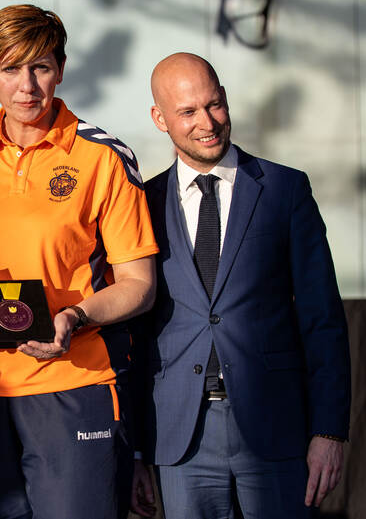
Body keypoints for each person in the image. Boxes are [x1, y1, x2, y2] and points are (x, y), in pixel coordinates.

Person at [0, 4, 158, 519]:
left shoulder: (103, 157)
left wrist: (75, 316)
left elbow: (139, 283)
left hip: (73, 384)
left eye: (40, 67)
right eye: (10, 68)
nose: (27, 85)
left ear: (60, 68)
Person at [131, 52, 351, 518]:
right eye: (187, 112)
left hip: (277, 431)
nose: (206, 122)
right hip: (178, 439)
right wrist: (134, 453)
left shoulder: (285, 190)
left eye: (214, 105)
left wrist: (330, 431)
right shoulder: (141, 205)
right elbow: (134, 336)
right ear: (159, 118)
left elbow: (323, 319)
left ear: (226, 100)